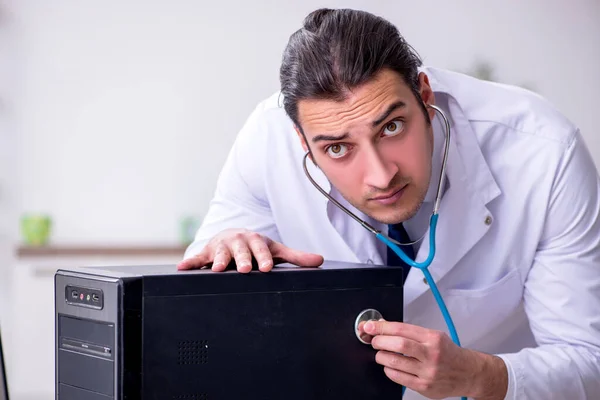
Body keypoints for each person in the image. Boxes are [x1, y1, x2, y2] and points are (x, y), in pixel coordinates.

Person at [177, 8, 600, 400]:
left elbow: (588, 359)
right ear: (303, 144)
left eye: (392, 127)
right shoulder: (266, 143)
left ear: (425, 95)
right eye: (339, 149)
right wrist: (224, 257)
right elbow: (205, 311)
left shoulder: (543, 152)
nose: (381, 176)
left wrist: (478, 375)